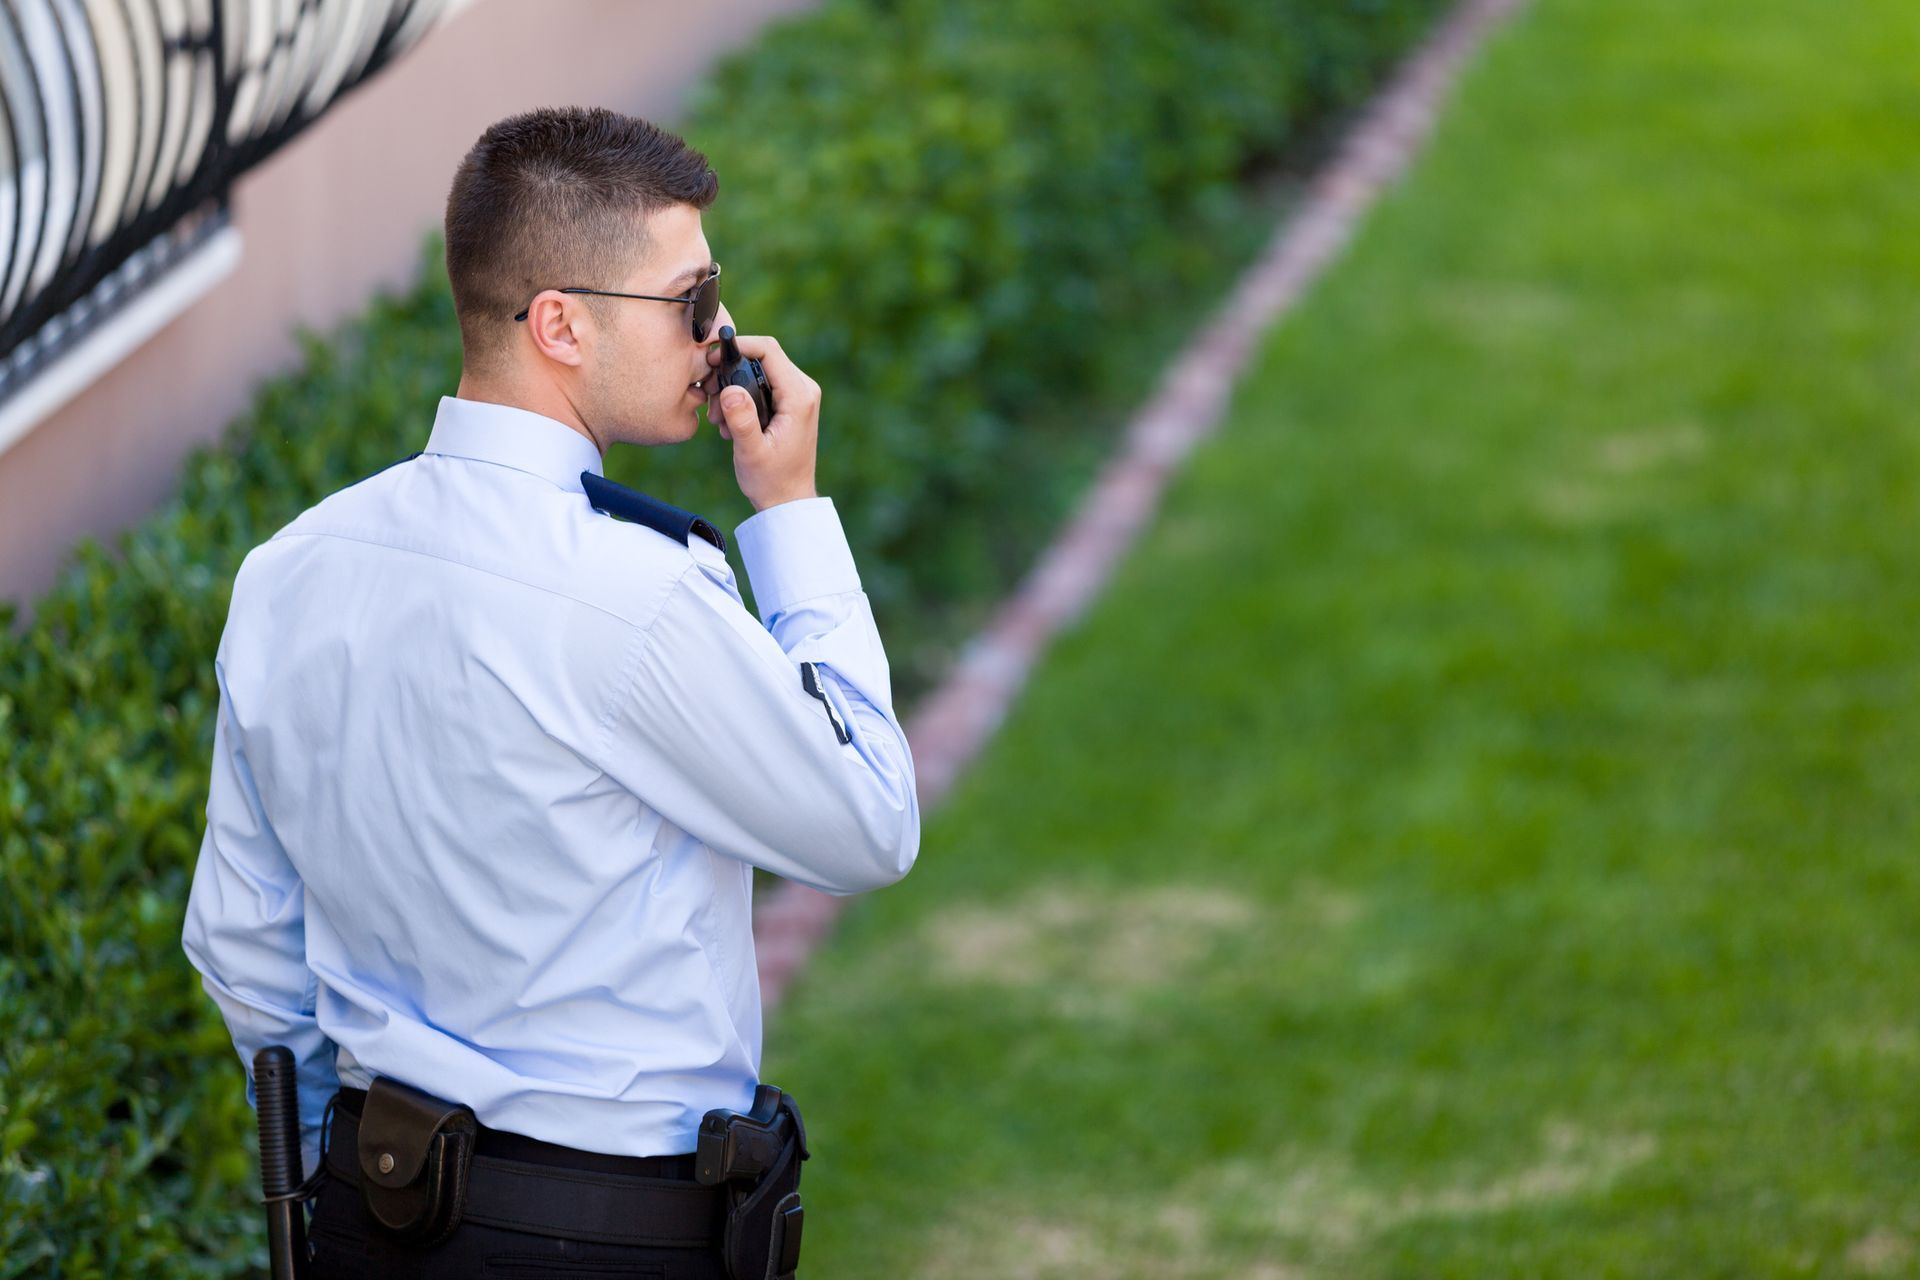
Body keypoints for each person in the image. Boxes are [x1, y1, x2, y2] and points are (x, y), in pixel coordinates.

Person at [180, 105, 920, 1278]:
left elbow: (244, 942)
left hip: (368, 1213)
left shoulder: (289, 569)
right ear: (561, 324)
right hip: (611, 1231)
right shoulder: (639, 593)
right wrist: (790, 515)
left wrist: (360, 1156)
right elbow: (870, 818)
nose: (723, 336)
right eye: (693, 300)